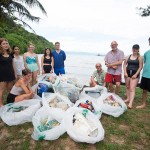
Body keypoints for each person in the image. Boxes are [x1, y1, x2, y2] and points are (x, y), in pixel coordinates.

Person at [123, 44, 143, 109]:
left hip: (135, 74)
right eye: (134, 48)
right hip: (127, 73)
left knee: (132, 88)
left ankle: (130, 103)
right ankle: (128, 99)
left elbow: (140, 67)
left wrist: (136, 74)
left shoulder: (140, 57)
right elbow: (124, 64)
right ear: (132, 49)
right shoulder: (128, 56)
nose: (134, 50)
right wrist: (125, 72)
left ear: (138, 50)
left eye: (136, 49)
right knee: (127, 86)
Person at [0, 38, 17, 107]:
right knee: (2, 90)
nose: (6, 45)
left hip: (10, 73)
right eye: (3, 44)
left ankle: (10, 102)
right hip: (2, 74)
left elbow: (13, 64)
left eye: (7, 43)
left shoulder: (11, 53)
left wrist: (15, 73)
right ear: (0, 45)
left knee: (10, 89)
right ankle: (0, 104)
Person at [136, 37, 150, 109]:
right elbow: (144, 62)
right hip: (145, 75)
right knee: (144, 90)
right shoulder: (146, 53)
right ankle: (143, 104)